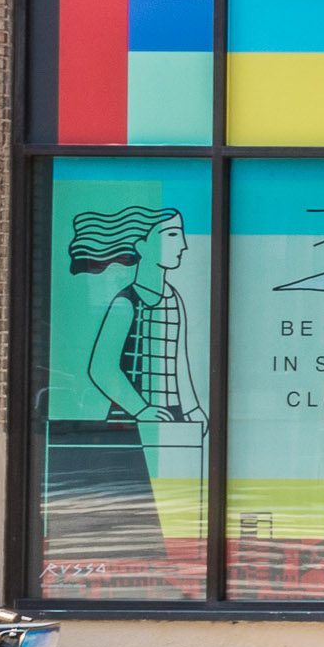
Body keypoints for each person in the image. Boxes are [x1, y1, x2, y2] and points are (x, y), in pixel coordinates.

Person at [49, 200, 201, 581]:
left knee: (176, 510)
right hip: (132, 426)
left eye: (180, 235)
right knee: (137, 509)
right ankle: (134, 573)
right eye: (171, 235)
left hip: (173, 425)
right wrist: (141, 408)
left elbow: (178, 362)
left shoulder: (175, 301)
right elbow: (101, 366)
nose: (182, 244)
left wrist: (195, 409)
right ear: (143, 245)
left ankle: (170, 572)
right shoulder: (126, 303)